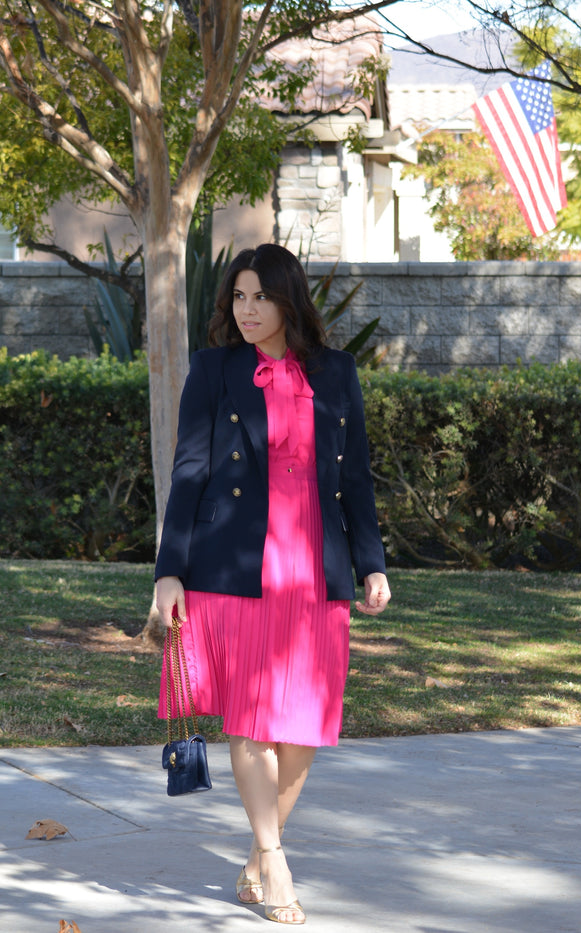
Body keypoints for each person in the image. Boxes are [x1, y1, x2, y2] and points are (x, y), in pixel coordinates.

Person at [154, 243, 391, 925]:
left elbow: (356, 480)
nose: (247, 309)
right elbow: (188, 474)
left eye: (260, 296)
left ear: (289, 300)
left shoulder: (337, 373)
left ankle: (257, 858)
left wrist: (372, 562)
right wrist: (169, 570)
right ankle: (275, 856)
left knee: (303, 730)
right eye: (238, 297)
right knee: (252, 721)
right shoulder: (215, 370)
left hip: (315, 567)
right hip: (234, 569)